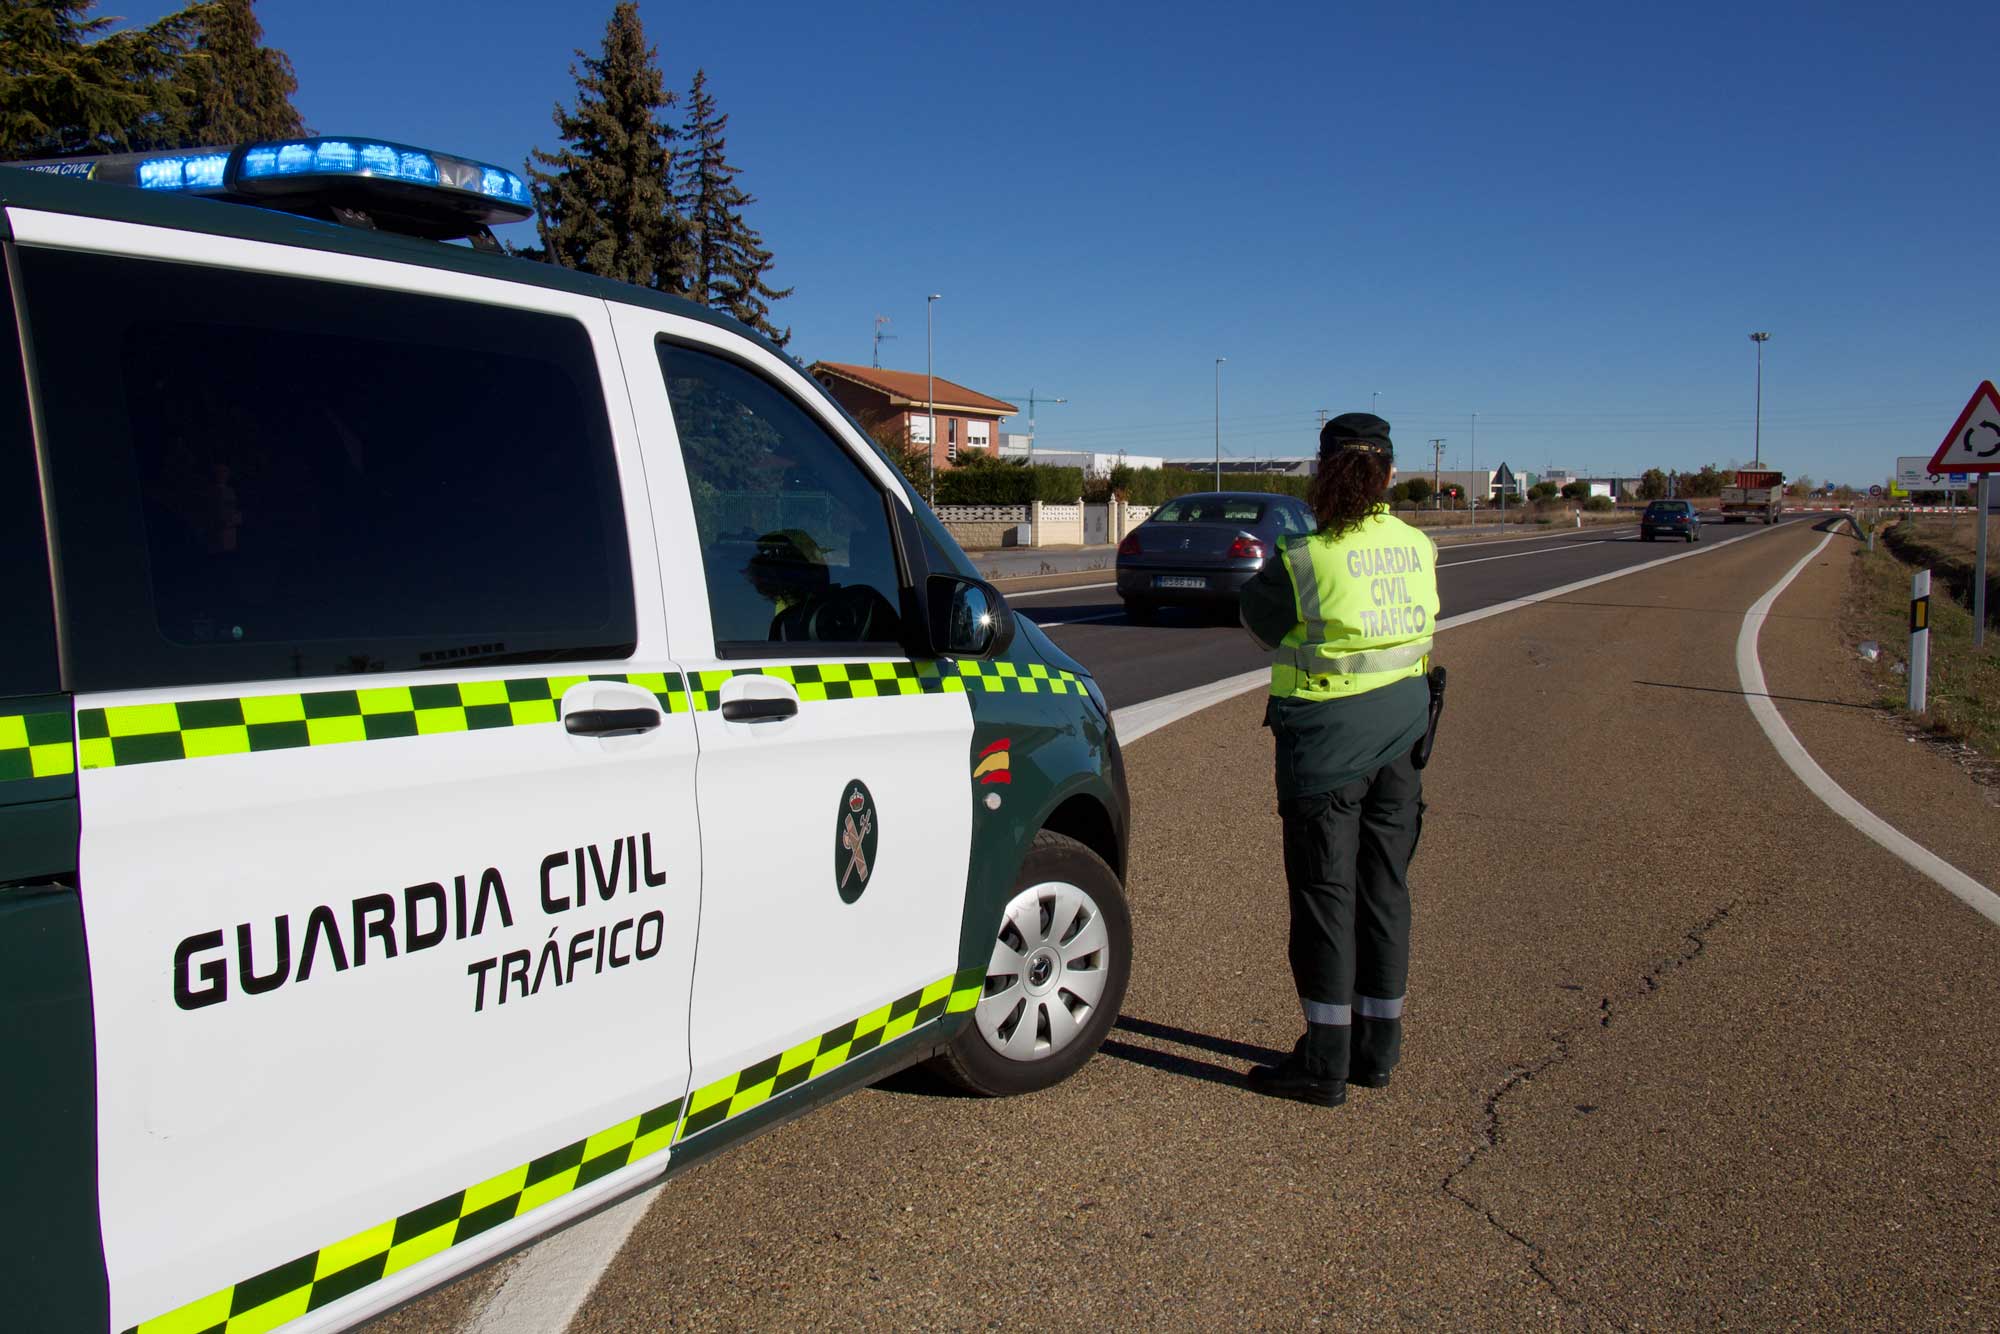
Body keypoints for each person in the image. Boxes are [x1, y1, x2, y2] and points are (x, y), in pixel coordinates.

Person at [1235, 413, 1441, 1107]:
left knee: (1326, 898)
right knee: (1386, 889)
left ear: (1323, 473)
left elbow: (1259, 627)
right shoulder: (1418, 546)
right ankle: (1379, 1050)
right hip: (1404, 739)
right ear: (1387, 474)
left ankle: (1324, 1062)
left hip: (1325, 749)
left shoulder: (1303, 557)